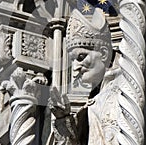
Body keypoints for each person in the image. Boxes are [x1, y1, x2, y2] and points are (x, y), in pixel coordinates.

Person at [48, 8, 121, 145]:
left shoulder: (119, 93)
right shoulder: (89, 105)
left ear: (104, 54)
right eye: (73, 61)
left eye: (81, 57)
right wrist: (63, 119)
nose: (76, 67)